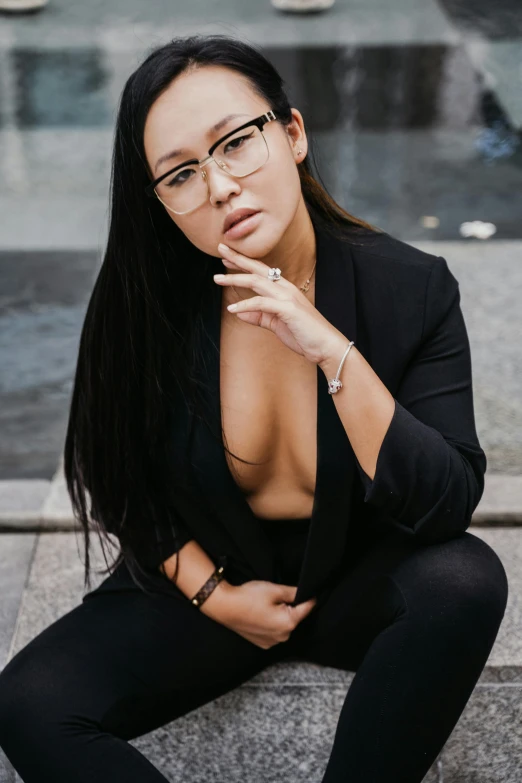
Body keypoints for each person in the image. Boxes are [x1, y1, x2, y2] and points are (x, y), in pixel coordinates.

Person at [0, 33, 509, 783]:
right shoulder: (147, 306)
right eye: (180, 174)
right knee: (28, 702)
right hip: (217, 579)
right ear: (162, 202)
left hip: (356, 578)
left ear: (293, 134)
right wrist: (213, 592)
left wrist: (332, 352)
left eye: (236, 143)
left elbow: (445, 502)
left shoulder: (413, 288)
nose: (219, 187)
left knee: (466, 579)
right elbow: (116, 475)